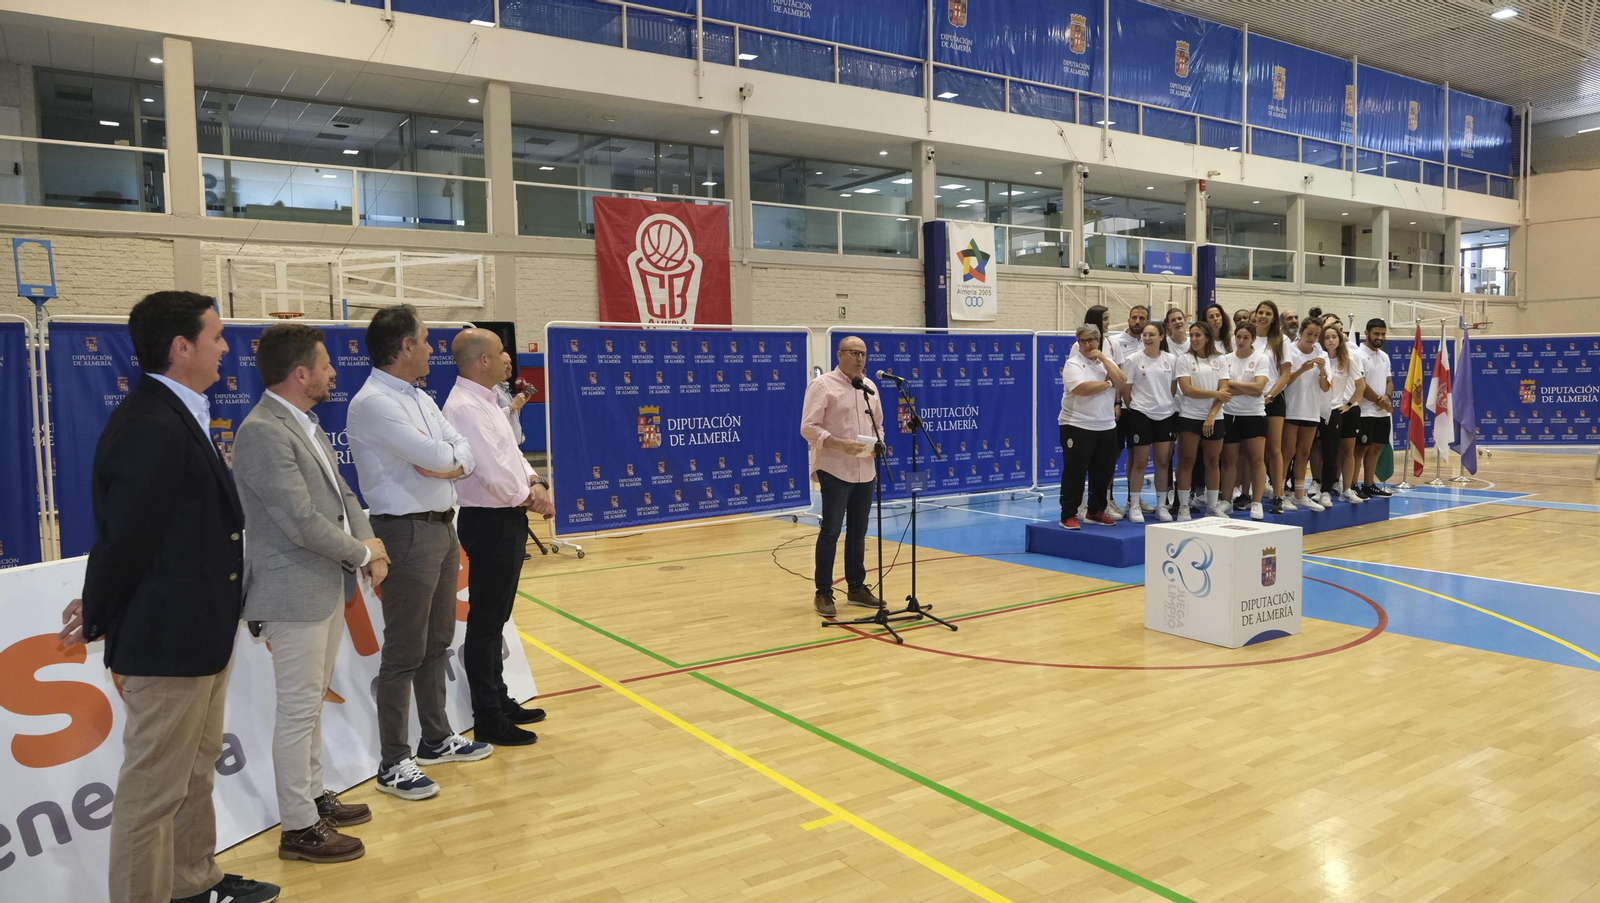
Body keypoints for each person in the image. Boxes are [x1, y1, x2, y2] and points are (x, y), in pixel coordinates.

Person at [59, 291, 279, 903]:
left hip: (201, 633)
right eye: (215, 336)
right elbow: (126, 535)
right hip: (167, 639)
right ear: (182, 347)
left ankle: (192, 883)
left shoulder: (180, 413)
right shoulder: (152, 424)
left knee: (194, 770)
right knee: (152, 792)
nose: (225, 348)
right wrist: (98, 607)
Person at [233, 323, 387, 864]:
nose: (331, 373)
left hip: (322, 583)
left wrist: (369, 539)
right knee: (298, 711)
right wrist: (364, 554)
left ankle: (313, 797)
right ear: (300, 374)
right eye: (324, 365)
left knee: (310, 708)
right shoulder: (262, 431)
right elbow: (299, 520)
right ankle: (298, 826)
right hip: (291, 590)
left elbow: (342, 495)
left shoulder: (305, 423)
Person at [348, 303, 492, 802]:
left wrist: (449, 464)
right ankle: (394, 760)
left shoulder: (418, 396)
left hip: (441, 528)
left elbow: (460, 450)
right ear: (405, 347)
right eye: (426, 340)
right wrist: (448, 462)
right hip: (405, 532)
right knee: (405, 650)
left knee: (438, 639)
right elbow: (440, 455)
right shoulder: (373, 403)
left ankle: (435, 738)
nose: (433, 349)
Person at [442, 328, 554, 747]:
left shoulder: (489, 402)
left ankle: (501, 700)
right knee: (486, 623)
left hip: (505, 517)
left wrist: (535, 481)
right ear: (483, 361)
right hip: (487, 519)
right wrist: (532, 498)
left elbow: (513, 455)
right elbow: (489, 472)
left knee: (497, 617)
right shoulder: (465, 408)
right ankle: (488, 715)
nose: (508, 357)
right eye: (501, 351)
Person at [800, 335, 885, 617]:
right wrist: (840, 444)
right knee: (831, 530)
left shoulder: (870, 386)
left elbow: (879, 425)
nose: (860, 358)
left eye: (863, 353)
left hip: (865, 469)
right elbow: (808, 428)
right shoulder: (823, 385)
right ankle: (823, 592)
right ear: (840, 355)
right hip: (834, 468)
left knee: (858, 531)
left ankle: (856, 587)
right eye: (853, 352)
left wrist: (878, 444)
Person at [1058, 324, 1126, 529]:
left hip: (1105, 424)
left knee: (1103, 471)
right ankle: (1068, 514)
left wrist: (1105, 360)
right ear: (1078, 344)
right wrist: (1107, 384)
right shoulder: (1073, 363)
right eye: (1083, 341)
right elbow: (1081, 388)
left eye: (1091, 340)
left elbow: (1122, 380)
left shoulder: (1107, 362)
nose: (1088, 345)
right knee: (1075, 472)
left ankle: (1096, 511)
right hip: (1077, 424)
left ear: (1099, 341)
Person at [1122, 323, 1178, 524]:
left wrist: (1162, 403)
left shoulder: (1171, 359)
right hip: (1141, 414)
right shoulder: (1133, 359)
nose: (1147, 338)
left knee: (1163, 462)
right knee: (1140, 462)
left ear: (1162, 336)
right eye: (1145, 334)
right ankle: (1135, 505)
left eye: (1152, 334)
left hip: (1166, 414)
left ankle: (1162, 506)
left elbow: (1172, 388)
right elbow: (1126, 390)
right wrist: (1136, 408)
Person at [1175, 321, 1230, 520]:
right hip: (1190, 416)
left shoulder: (1220, 359)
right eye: (1192, 335)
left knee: (1212, 461)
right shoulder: (1184, 359)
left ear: (1207, 337)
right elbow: (1187, 389)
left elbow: (1224, 393)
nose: (1194, 339)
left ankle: (1213, 506)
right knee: (1186, 460)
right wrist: (1215, 393)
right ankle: (1183, 506)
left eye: (1198, 335)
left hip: (1215, 417)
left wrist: (1212, 415)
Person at [1220, 323, 1272, 521]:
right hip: (1230, 414)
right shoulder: (1225, 359)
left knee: (1256, 460)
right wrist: (1246, 388)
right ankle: (1226, 500)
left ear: (1252, 340)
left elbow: (1259, 388)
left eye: (1245, 338)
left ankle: (1256, 502)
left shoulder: (1261, 358)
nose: (1241, 341)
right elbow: (1223, 390)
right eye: (1238, 337)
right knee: (1229, 461)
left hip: (1254, 415)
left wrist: (1232, 384)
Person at [1278, 318, 1330, 512]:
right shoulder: (1290, 351)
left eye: (1317, 335)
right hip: (1292, 408)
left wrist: (1323, 370)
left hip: (1311, 410)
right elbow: (1285, 381)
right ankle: (1280, 493)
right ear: (1301, 332)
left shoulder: (1321, 354)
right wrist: (1303, 369)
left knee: (1304, 453)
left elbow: (1325, 387)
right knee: (1287, 452)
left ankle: (1300, 494)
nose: (1313, 338)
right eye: (1310, 334)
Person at [1081, 305, 1124, 520]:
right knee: (1082, 463)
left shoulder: (1114, 344)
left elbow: (1119, 378)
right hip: (1086, 412)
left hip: (1107, 412)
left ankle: (1103, 503)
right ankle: (1081, 504)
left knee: (1105, 462)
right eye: (1105, 319)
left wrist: (1117, 402)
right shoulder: (1077, 347)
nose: (1108, 323)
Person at [1320, 323, 1368, 506]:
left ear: (1340, 339)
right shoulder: (1320, 359)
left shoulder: (1347, 359)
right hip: (1326, 411)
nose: (1331, 340)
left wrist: (1349, 404)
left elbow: (1361, 385)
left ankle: (1346, 489)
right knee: (1329, 453)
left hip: (1344, 409)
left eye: (1334, 337)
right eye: (1327, 337)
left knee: (1348, 451)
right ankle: (1325, 489)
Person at [1109, 305, 1150, 517]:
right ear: (1128, 319)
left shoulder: (1151, 342)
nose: (1137, 321)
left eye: (1142, 318)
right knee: (1113, 453)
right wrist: (1118, 402)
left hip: (1141, 409)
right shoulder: (1116, 342)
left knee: (1136, 456)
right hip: (1120, 408)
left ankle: (1132, 499)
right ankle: (1107, 499)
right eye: (1134, 317)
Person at [1252, 301, 1289, 510]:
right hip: (1249, 400)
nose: (1263, 316)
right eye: (1260, 312)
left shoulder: (1280, 340)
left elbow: (1285, 373)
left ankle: (1278, 494)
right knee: (1250, 452)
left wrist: (1271, 396)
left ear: (1274, 318)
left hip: (1273, 400)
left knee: (1274, 448)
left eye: (1268, 313)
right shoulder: (1246, 336)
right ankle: (1247, 493)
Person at [1355, 318, 1395, 497]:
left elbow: (1389, 381)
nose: (1380, 337)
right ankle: (1352, 484)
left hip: (1381, 413)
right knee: (1360, 449)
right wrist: (1381, 401)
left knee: (1376, 448)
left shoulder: (1384, 356)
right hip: (1364, 412)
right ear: (1367, 333)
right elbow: (1361, 384)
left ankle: (1368, 484)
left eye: (1383, 334)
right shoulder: (1358, 354)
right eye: (1376, 333)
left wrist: (1387, 397)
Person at [495, 350, 528, 447]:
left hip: (515, 445)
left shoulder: (504, 387)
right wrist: (512, 406)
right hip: (505, 447)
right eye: (505, 363)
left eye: (510, 363)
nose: (509, 367)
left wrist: (519, 404)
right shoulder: (491, 389)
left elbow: (512, 416)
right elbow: (492, 420)